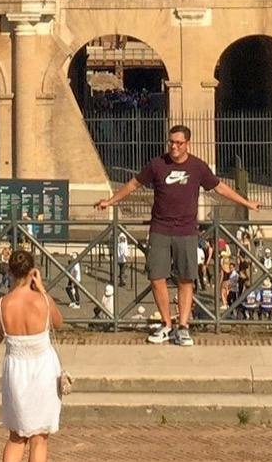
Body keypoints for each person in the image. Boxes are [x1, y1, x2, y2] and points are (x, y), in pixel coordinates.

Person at [93, 123, 260, 347]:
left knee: (185, 279)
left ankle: (183, 327)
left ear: (187, 144)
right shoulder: (157, 164)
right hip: (160, 229)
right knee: (156, 277)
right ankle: (166, 324)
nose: (174, 146)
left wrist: (247, 203)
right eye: (171, 142)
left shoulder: (198, 166)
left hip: (186, 230)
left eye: (179, 143)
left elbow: (220, 187)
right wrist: (110, 201)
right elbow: (134, 184)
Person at [0, 249, 63, 462]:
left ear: (9, 272)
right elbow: (59, 323)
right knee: (39, 437)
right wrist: (42, 289)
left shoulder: (0, 304)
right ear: (32, 272)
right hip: (42, 370)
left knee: (16, 436)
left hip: (16, 371)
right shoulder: (42, 301)